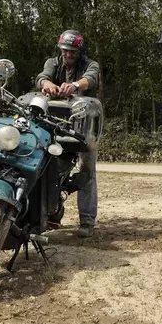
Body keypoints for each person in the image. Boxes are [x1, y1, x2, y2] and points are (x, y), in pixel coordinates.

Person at [35, 29, 100, 238]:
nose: (68, 55)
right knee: (52, 167)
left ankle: (87, 221)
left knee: (87, 171)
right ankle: (52, 214)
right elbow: (42, 77)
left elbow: (90, 79)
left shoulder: (90, 65)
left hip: (85, 125)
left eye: (72, 52)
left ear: (79, 51)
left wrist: (73, 86)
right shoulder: (53, 62)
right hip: (56, 123)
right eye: (65, 51)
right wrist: (48, 85)